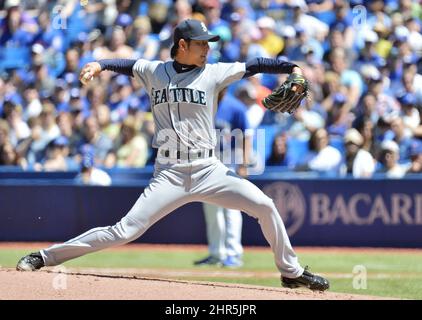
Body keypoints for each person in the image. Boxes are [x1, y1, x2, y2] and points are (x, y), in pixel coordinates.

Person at [16, 19, 329, 291]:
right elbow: (126, 64)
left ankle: (291, 272)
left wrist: (294, 68)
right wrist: (99, 64)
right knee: (124, 231)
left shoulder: (215, 72)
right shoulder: (155, 71)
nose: (208, 49)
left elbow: (257, 64)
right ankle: (45, 256)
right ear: (182, 44)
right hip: (169, 171)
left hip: (210, 169)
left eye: (209, 43)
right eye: (202, 43)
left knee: (265, 205)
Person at [193, 88, 250, 268]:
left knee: (232, 209)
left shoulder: (235, 107)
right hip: (206, 163)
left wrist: (244, 164)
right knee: (211, 211)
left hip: (229, 163)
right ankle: (216, 253)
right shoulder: (203, 103)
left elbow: (246, 136)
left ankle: (233, 254)